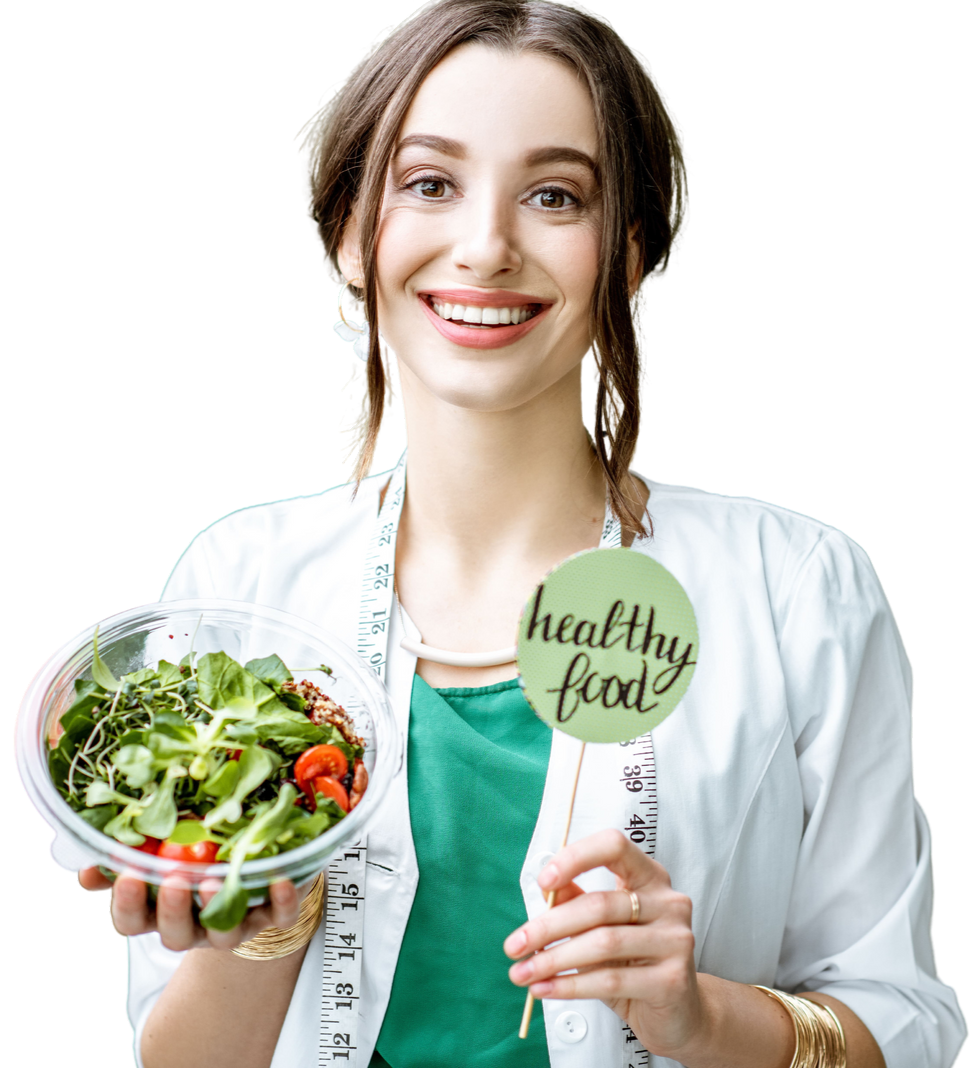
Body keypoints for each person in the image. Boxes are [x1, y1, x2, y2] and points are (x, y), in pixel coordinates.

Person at [77, 1, 966, 1065]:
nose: (487, 246)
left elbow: (908, 1027)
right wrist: (261, 933)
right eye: (429, 184)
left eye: (555, 195)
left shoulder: (799, 588)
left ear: (630, 254)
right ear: (351, 237)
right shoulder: (239, 584)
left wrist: (700, 1013)